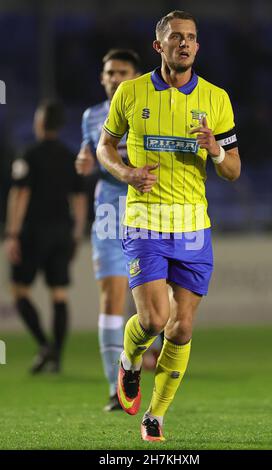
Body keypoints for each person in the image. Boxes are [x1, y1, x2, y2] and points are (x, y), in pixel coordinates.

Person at [97, 10, 241, 441]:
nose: (185, 43)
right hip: (145, 222)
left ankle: (155, 417)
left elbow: (233, 170)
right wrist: (125, 173)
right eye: (176, 37)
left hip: (194, 226)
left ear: (197, 47)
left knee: (183, 327)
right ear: (159, 46)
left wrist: (216, 151)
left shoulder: (216, 99)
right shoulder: (131, 92)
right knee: (156, 318)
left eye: (192, 38)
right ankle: (129, 360)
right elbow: (105, 146)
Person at [76, 49, 162, 412]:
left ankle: (151, 352)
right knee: (111, 298)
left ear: (135, 75)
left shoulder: (152, 108)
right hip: (111, 212)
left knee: (163, 309)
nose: (114, 77)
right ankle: (116, 388)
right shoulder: (92, 116)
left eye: (122, 71)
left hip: (151, 210)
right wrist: (83, 162)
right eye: (109, 72)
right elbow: (89, 155)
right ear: (102, 77)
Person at [4, 100, 87, 373]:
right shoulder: (69, 156)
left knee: (19, 290)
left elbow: (21, 194)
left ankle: (44, 345)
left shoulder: (29, 155)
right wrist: (76, 234)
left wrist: (12, 233)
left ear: (39, 123)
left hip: (32, 231)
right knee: (59, 294)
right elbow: (79, 198)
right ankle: (57, 357)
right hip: (62, 231)